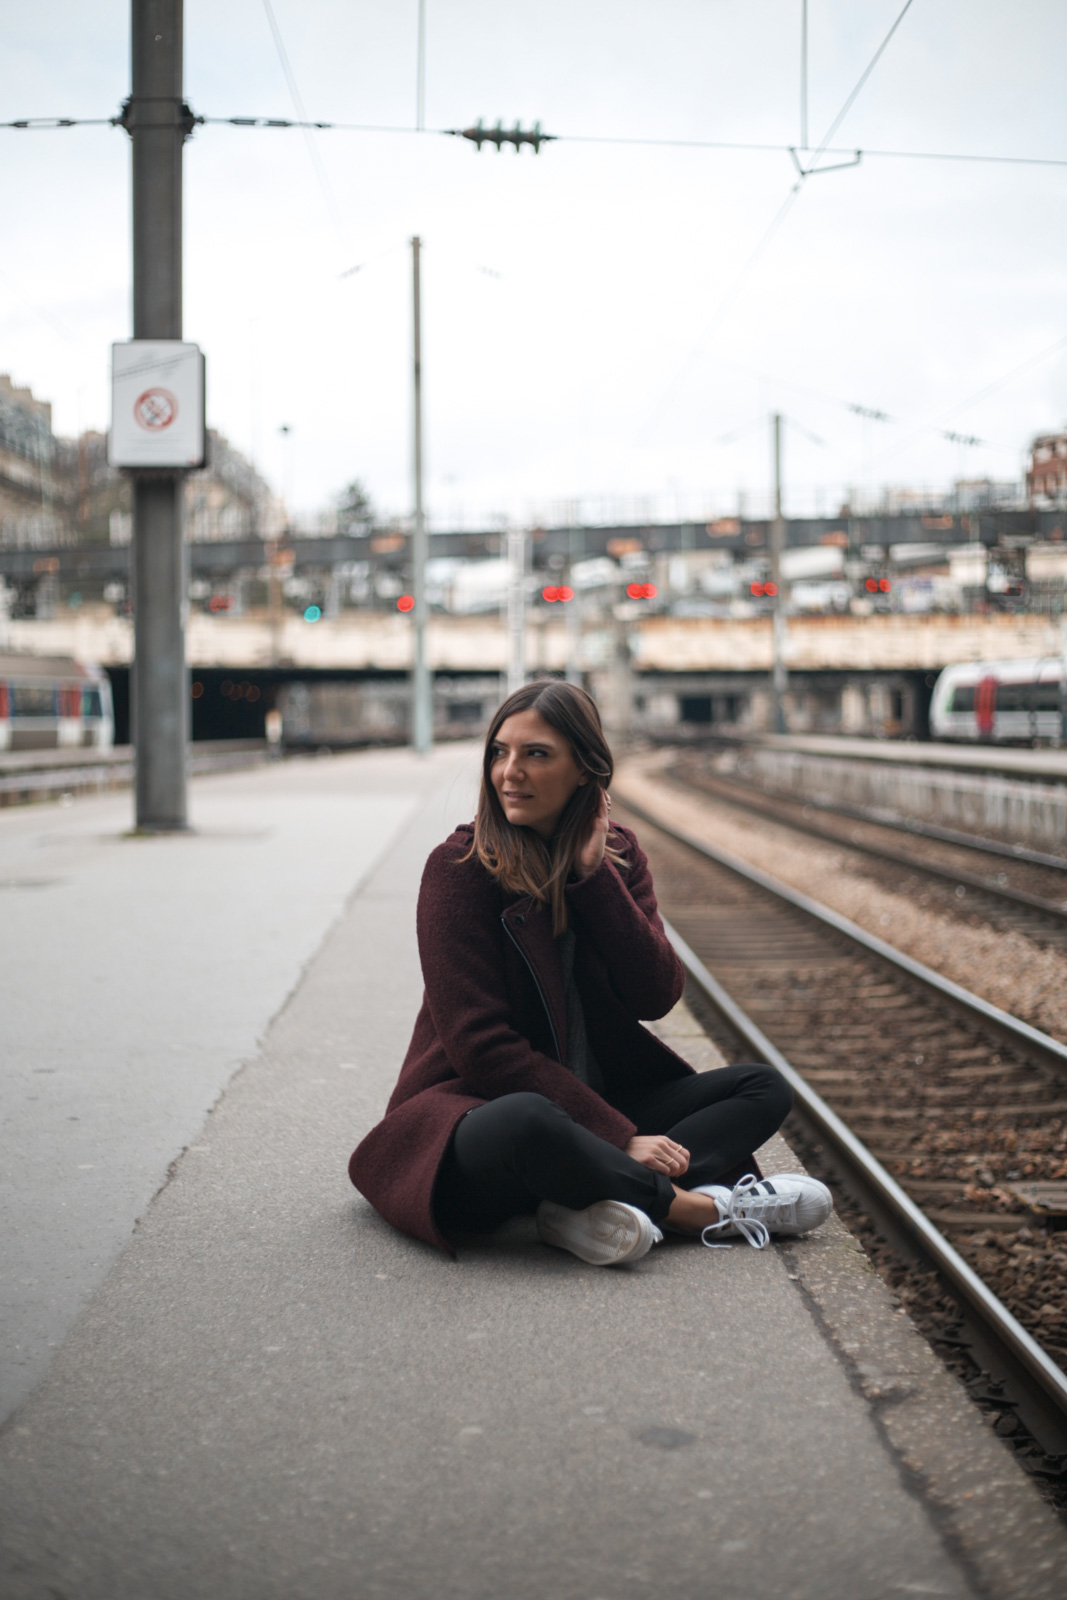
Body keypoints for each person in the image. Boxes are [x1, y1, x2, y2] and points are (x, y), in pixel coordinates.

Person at [349, 679, 832, 1267]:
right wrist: (617, 1136)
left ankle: (585, 1205)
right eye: (499, 753)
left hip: (594, 1101)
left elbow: (656, 995)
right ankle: (696, 1210)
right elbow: (481, 1047)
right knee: (527, 1119)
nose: (509, 773)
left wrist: (594, 879)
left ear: (586, 771)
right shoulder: (460, 869)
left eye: (536, 754)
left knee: (762, 1086)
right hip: (475, 1116)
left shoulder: (619, 856)